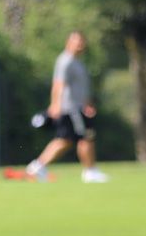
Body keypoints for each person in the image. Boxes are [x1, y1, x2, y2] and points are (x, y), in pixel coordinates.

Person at [26, 31, 110, 183]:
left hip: (78, 107)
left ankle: (38, 166)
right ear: (68, 42)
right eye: (76, 41)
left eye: (81, 41)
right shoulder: (65, 61)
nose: (79, 45)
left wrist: (87, 103)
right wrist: (55, 104)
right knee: (85, 137)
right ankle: (90, 171)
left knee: (65, 140)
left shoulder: (77, 62)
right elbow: (59, 84)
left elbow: (80, 88)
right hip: (70, 108)